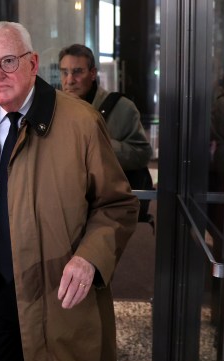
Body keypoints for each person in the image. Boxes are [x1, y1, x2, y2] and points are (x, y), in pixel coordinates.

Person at [0, 22, 139, 361]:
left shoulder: (81, 123)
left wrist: (90, 258)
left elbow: (117, 205)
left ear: (33, 63)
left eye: (7, 61)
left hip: (56, 290)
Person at [58, 44, 154, 225]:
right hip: (67, 210)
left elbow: (141, 154)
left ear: (93, 74)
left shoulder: (122, 107)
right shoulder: (54, 109)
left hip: (108, 211)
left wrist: (96, 147)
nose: (70, 80)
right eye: (64, 72)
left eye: (78, 72)